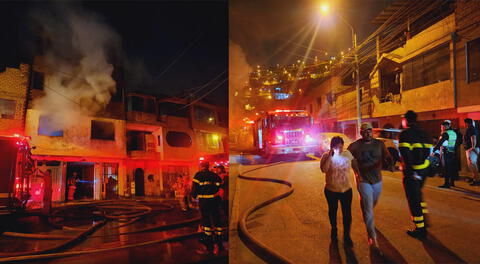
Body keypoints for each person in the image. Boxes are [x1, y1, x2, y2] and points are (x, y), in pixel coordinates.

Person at [348, 122, 393, 248]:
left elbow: (387, 156)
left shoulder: (379, 144)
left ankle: (366, 210)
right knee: (368, 208)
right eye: (365, 131)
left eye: (370, 131)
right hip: (363, 180)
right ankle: (372, 237)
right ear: (361, 133)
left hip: (377, 179)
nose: (368, 133)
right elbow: (347, 156)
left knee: (371, 204)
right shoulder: (355, 146)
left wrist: (391, 164)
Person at [399, 110, 432, 239]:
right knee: (418, 196)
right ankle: (425, 220)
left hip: (412, 172)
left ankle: (420, 229)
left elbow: (405, 154)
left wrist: (411, 171)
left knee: (414, 200)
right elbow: (429, 153)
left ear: (406, 120)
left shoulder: (405, 134)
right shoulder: (424, 134)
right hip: (423, 171)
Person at [320, 136, 354, 247]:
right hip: (331, 190)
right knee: (333, 211)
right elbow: (324, 170)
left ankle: (346, 235)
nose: (339, 149)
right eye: (336, 147)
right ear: (331, 147)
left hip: (346, 190)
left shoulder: (347, 154)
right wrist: (330, 156)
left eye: (340, 146)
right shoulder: (325, 156)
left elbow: (355, 164)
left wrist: (360, 176)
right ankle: (334, 229)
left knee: (347, 213)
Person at [191, 161, 224, 254]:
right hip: (215, 201)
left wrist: (194, 196)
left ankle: (208, 242)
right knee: (216, 219)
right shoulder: (214, 175)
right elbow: (220, 185)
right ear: (208, 167)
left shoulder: (198, 175)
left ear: (201, 166)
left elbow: (194, 189)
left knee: (206, 221)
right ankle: (219, 239)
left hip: (204, 202)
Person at [433, 120, 458, 188]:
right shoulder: (453, 133)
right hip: (452, 151)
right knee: (451, 168)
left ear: (447, 126)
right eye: (443, 126)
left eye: (444, 126)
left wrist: (434, 150)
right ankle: (452, 182)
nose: (443, 127)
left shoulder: (445, 133)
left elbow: (440, 142)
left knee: (446, 168)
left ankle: (446, 184)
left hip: (446, 152)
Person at [464, 118, 480, 186]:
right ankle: (475, 178)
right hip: (473, 148)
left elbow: (473, 137)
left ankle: (476, 180)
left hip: (472, 149)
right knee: (473, 164)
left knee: (472, 164)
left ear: (467, 123)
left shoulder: (471, 128)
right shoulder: (474, 128)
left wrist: (472, 147)